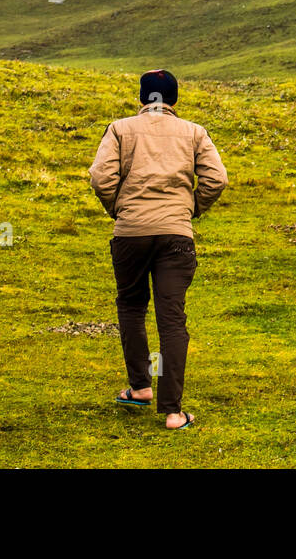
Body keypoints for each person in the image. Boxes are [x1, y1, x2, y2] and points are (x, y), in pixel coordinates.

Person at [88, 69, 228, 430]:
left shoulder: (119, 129)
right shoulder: (194, 132)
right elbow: (217, 179)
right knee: (172, 319)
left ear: (141, 97)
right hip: (176, 234)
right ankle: (172, 412)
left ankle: (139, 388)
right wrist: (191, 208)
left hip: (130, 233)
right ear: (175, 100)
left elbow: (101, 178)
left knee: (132, 306)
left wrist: (118, 209)